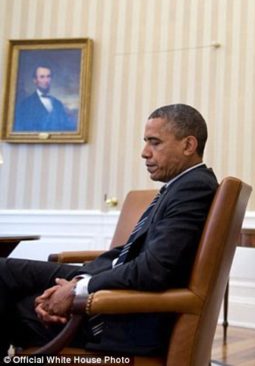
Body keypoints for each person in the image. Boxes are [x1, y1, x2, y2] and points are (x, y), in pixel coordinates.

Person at [0, 104, 218, 357]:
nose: (144, 153)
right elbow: (127, 254)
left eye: (155, 143)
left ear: (188, 145)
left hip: (124, 322)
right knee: (5, 271)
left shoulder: (193, 189)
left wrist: (77, 290)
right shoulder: (181, 185)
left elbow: (153, 270)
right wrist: (80, 280)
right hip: (116, 287)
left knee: (12, 306)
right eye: (146, 142)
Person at [13, 65, 76, 132]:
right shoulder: (25, 105)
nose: (46, 80)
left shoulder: (58, 104)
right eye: (42, 77)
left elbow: (66, 129)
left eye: (48, 76)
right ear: (35, 80)